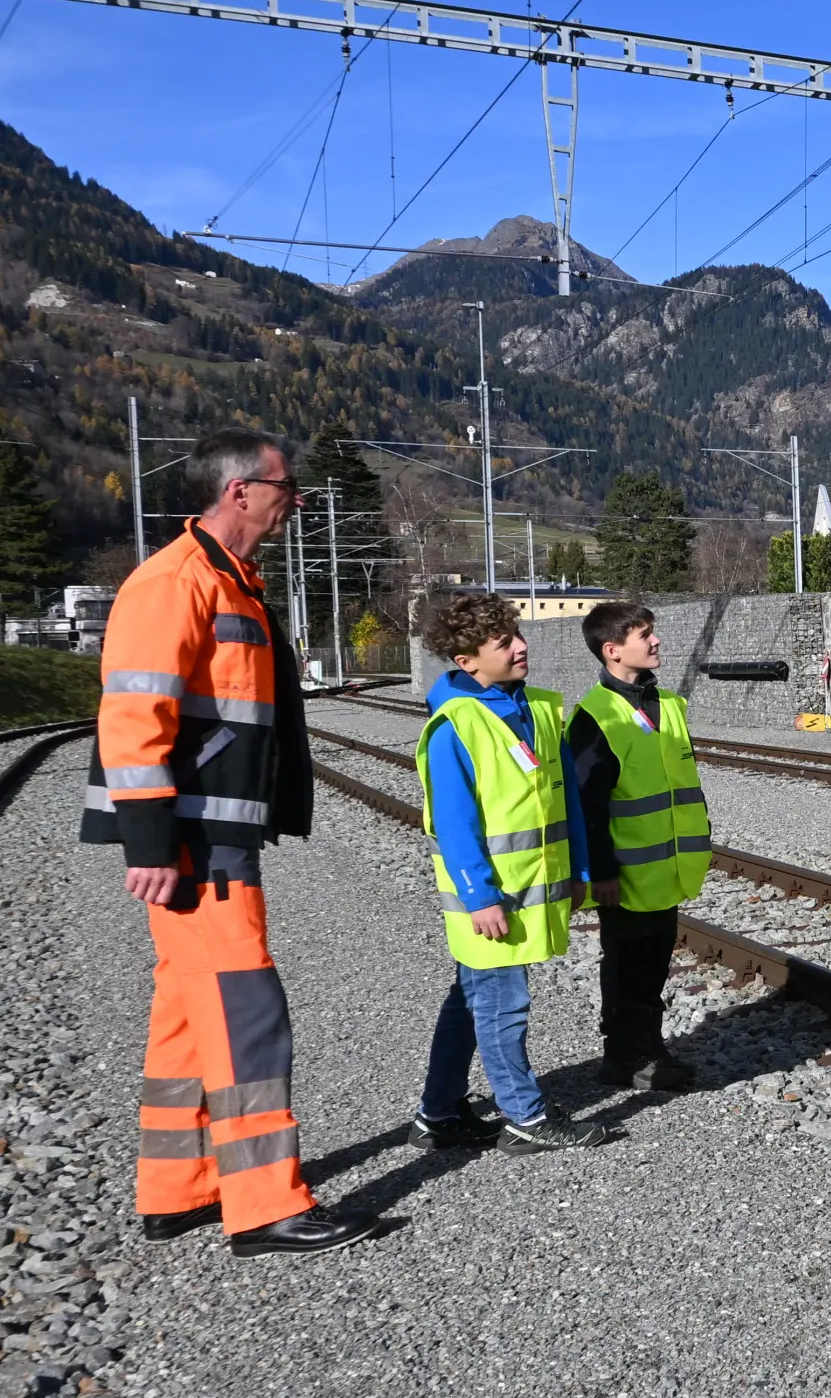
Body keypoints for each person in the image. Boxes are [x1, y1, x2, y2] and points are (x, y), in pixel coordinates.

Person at [80, 427, 372, 1256]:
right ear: (238, 491)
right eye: (286, 486)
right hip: (195, 840)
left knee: (186, 1011)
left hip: (213, 831)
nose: (297, 501)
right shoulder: (176, 582)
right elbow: (133, 717)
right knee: (247, 1014)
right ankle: (267, 1203)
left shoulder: (229, 581)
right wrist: (147, 843)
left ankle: (177, 1188)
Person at [409, 593, 619, 1154]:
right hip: (491, 900)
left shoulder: (536, 709)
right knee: (502, 1004)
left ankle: (437, 1114)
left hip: (527, 890)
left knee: (471, 999)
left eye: (517, 635)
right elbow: (453, 825)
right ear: (467, 661)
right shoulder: (456, 725)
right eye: (504, 643)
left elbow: (566, 799)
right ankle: (525, 1117)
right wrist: (480, 897)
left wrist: (578, 869)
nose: (522, 647)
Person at [564, 600, 708, 1089]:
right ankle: (624, 1057)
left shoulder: (667, 705)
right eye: (644, 634)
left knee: (654, 962)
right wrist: (600, 871)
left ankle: (649, 1045)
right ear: (612, 650)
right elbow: (587, 805)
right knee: (627, 965)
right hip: (624, 875)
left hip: (665, 869)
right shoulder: (594, 716)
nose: (656, 640)